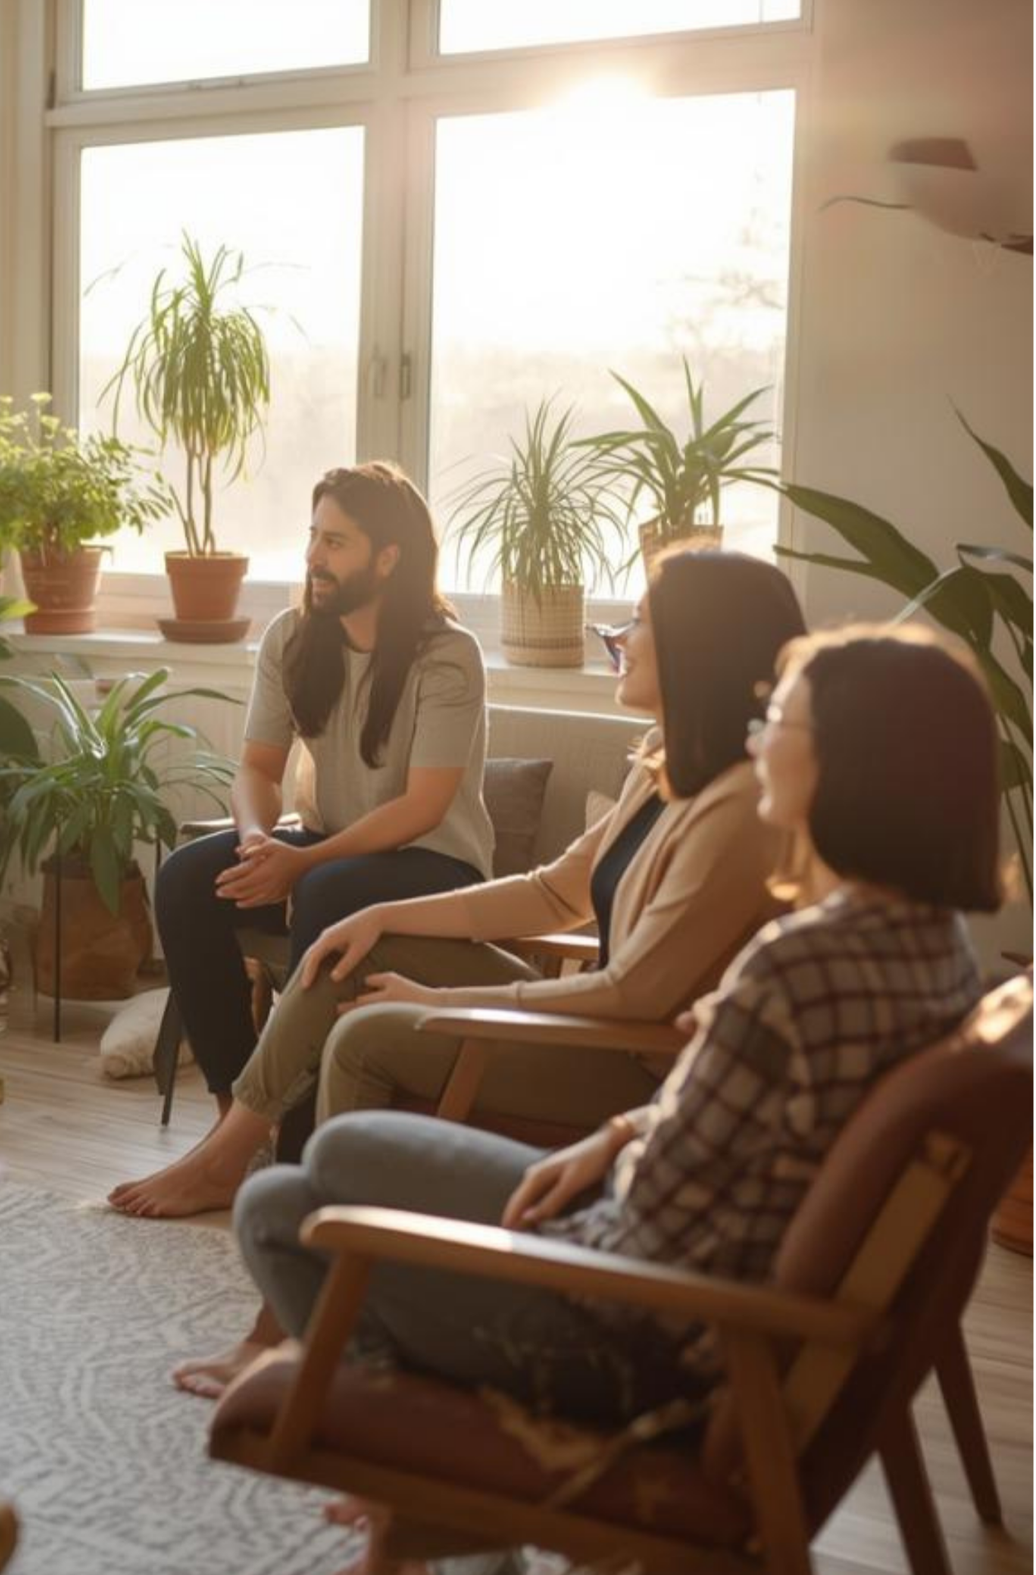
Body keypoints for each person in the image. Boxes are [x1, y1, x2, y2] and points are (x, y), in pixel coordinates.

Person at [232, 626, 1001, 1571]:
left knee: (281, 1211)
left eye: (783, 723)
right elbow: (763, 1129)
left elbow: (643, 1236)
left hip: (636, 1333)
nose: (762, 742)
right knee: (344, 1162)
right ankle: (456, 1507)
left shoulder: (799, 968)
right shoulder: (931, 951)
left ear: (853, 766)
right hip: (686, 1261)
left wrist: (506, 1250)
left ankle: (452, 1495)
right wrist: (621, 1135)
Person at [115, 552, 807, 1222]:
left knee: (365, 1031)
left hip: (637, 1064)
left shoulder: (739, 805)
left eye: (641, 620)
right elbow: (550, 893)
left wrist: (444, 998)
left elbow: (632, 992)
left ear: (699, 647)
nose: (619, 636)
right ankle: (245, 1163)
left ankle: (299, 1219)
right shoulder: (659, 764)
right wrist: (382, 915)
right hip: (599, 1021)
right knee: (344, 946)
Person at [147, 463, 494, 1133]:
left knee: (327, 888)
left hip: (433, 868)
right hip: (332, 854)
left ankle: (298, 1137)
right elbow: (256, 768)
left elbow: (424, 807)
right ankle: (235, 1118)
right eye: (313, 537)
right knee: (188, 878)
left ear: (388, 558)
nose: (313, 557)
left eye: (335, 542)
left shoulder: (449, 655)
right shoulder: (292, 637)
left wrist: (300, 865)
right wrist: (257, 843)